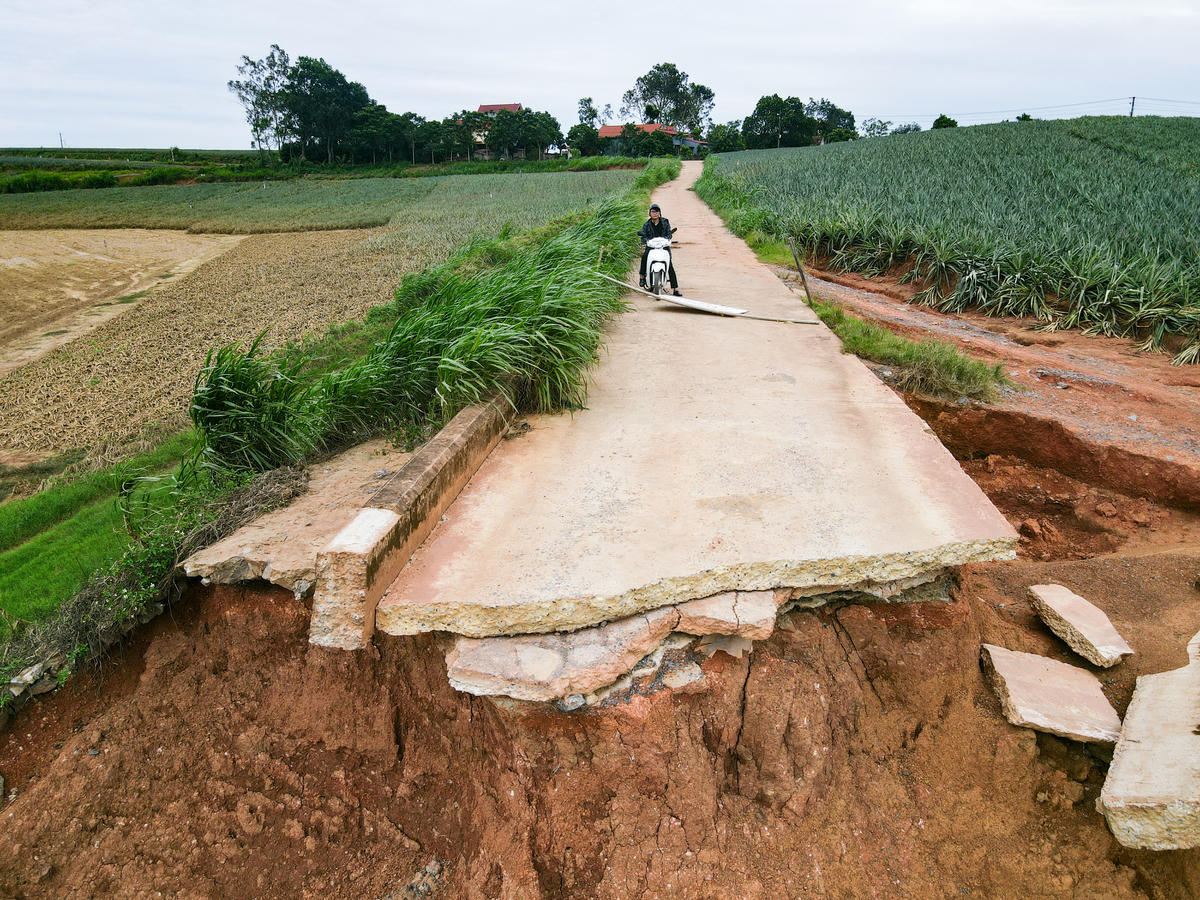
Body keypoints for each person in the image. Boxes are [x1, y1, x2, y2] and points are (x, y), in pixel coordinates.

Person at [638, 203, 681, 296]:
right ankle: (642, 276)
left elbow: (669, 233)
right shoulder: (646, 225)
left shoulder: (665, 222)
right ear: (650, 213)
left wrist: (667, 239)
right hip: (651, 246)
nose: (655, 213)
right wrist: (645, 241)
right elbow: (644, 236)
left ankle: (675, 288)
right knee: (645, 256)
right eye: (653, 211)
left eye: (657, 211)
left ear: (660, 213)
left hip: (663, 246)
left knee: (669, 264)